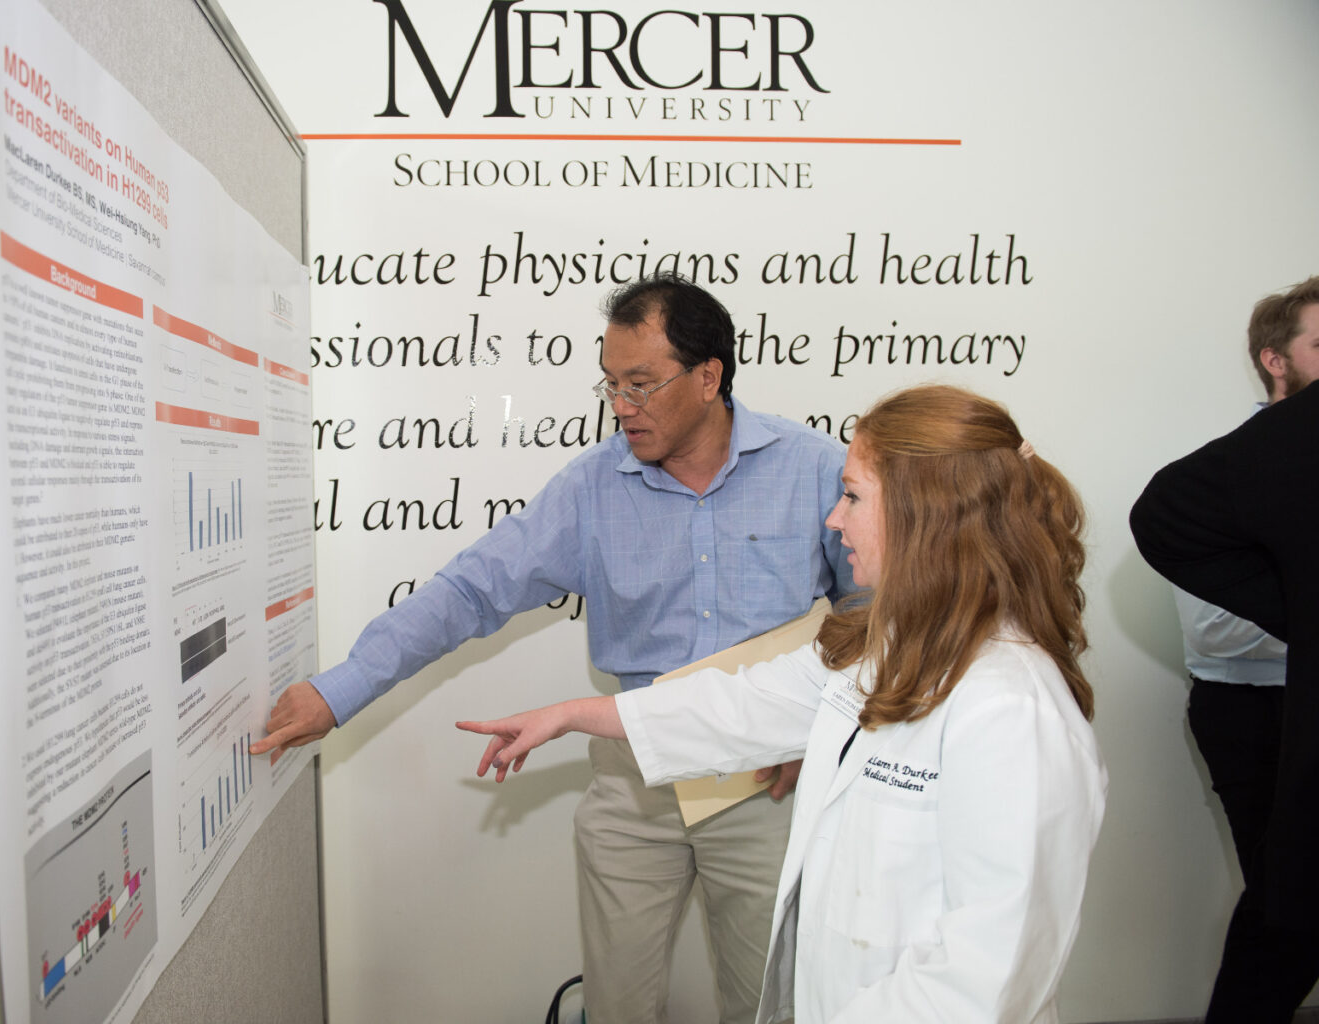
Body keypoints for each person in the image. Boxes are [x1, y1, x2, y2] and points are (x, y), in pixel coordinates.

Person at [252, 273, 855, 1023]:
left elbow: (870, 617)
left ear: (709, 377)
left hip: (768, 783)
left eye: (641, 385)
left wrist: (823, 733)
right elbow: (472, 591)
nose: (622, 408)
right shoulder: (593, 488)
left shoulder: (816, 468)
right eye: (610, 385)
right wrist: (340, 689)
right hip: (635, 785)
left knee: (773, 1005)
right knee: (616, 1007)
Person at [462, 384, 1108, 1024]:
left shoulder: (1013, 709)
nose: (834, 518)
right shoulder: (882, 651)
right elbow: (738, 705)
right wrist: (571, 714)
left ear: (926, 513)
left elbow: (989, 979)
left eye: (853, 496)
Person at [1132, 290, 1319, 1023]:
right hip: (1254, 711)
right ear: (1275, 360)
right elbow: (1214, 634)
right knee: (1288, 905)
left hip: (1292, 700)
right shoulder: (1244, 469)